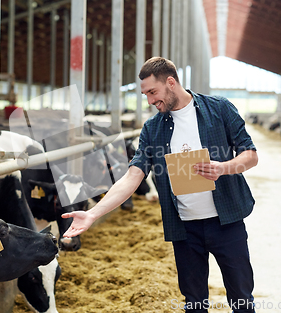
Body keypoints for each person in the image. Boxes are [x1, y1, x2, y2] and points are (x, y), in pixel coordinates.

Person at [62, 57, 258, 313]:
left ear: (171, 82)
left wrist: (223, 168)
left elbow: (251, 155)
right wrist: (92, 213)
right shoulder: (153, 129)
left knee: (242, 299)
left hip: (227, 223)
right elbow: (133, 176)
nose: (150, 101)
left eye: (153, 92)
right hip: (185, 230)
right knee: (194, 304)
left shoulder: (219, 109)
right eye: (145, 95)